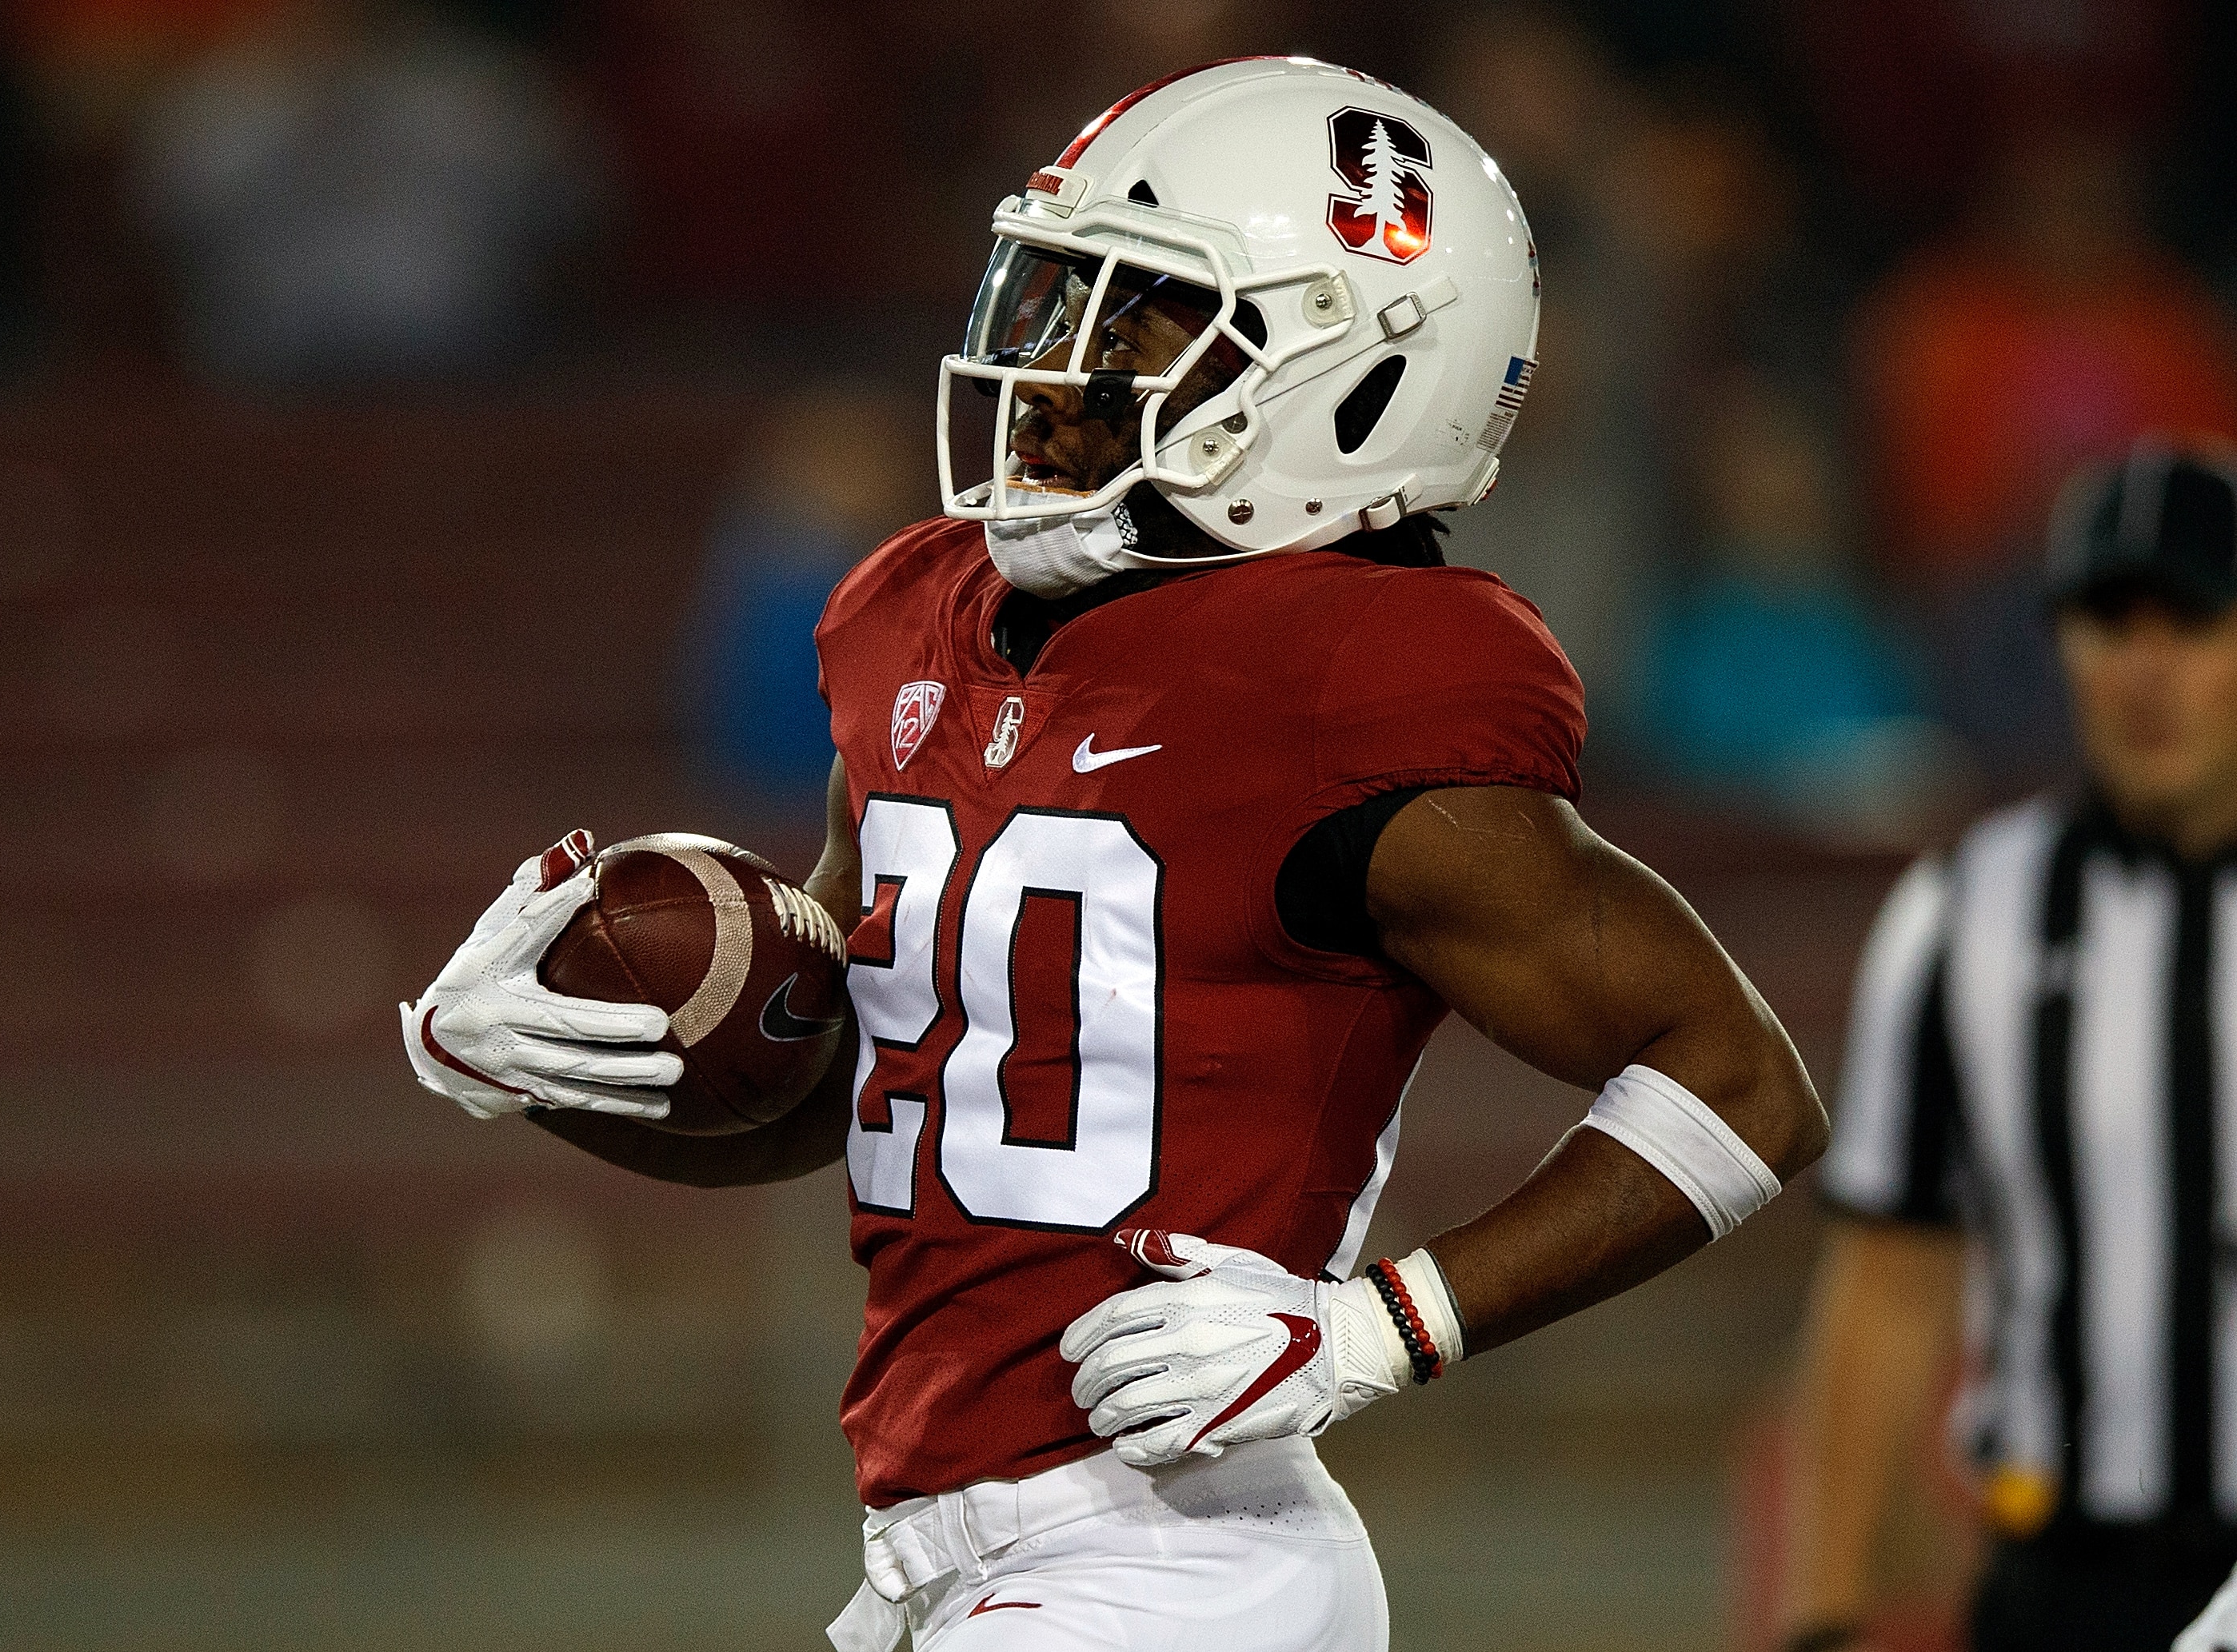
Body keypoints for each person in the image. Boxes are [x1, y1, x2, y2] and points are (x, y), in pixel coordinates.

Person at [403, 58, 1827, 1652]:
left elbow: (1736, 1082)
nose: (1046, 369)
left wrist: (1373, 1329)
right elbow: (852, 1091)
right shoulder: (921, 619)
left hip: (1177, 1552)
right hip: (950, 1555)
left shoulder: (1355, 678)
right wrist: (539, 1060)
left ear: (1351, 383)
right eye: (1048, 301)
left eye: (1132, 319)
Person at [1780, 442, 2237, 1652]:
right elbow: (1890, 1277)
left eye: (2189, 620)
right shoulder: (1968, 911)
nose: (2145, 667)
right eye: (2106, 618)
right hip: (2065, 1581)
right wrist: (1822, 1610)